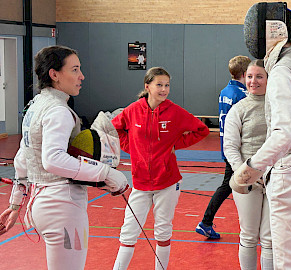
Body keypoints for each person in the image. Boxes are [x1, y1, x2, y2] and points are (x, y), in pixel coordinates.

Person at [0, 45, 129, 270]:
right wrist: (106, 173)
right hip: (62, 207)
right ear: (55, 74)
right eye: (75, 69)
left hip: (43, 204)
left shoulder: (35, 105)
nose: (81, 76)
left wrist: (15, 204)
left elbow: (23, 156)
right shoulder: (58, 110)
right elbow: (53, 159)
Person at [231, 3, 291, 269]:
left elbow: (284, 134)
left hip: (290, 178)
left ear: (268, 31)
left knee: (288, 266)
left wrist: (249, 169)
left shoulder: (282, 70)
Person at [112, 67, 209, 270]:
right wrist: (131, 148)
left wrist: (175, 144)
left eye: (167, 85)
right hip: (140, 183)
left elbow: (202, 129)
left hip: (167, 182)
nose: (164, 89)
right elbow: (116, 128)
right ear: (147, 86)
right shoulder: (133, 110)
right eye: (159, 85)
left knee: (163, 231)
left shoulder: (174, 111)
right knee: (128, 231)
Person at [195, 55, 251, 239]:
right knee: (229, 185)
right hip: (236, 147)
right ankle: (206, 221)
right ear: (245, 74)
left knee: (232, 184)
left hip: (226, 144)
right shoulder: (242, 95)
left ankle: (207, 222)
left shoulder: (225, 91)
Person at [224, 60, 272, 269]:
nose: (253, 81)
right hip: (247, 181)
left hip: (275, 179)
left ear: (269, 79)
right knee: (249, 234)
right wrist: (247, 174)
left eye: (259, 76)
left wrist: (269, 172)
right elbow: (231, 148)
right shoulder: (239, 109)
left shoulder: (279, 108)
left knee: (270, 239)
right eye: (250, 77)